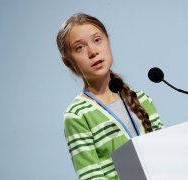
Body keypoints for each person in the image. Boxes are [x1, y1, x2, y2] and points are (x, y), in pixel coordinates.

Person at [56, 12, 164, 180]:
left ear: (108, 42)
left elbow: (165, 152)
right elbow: (90, 175)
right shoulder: (77, 114)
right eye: (80, 47)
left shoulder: (143, 99)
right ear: (69, 62)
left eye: (97, 40)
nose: (93, 51)